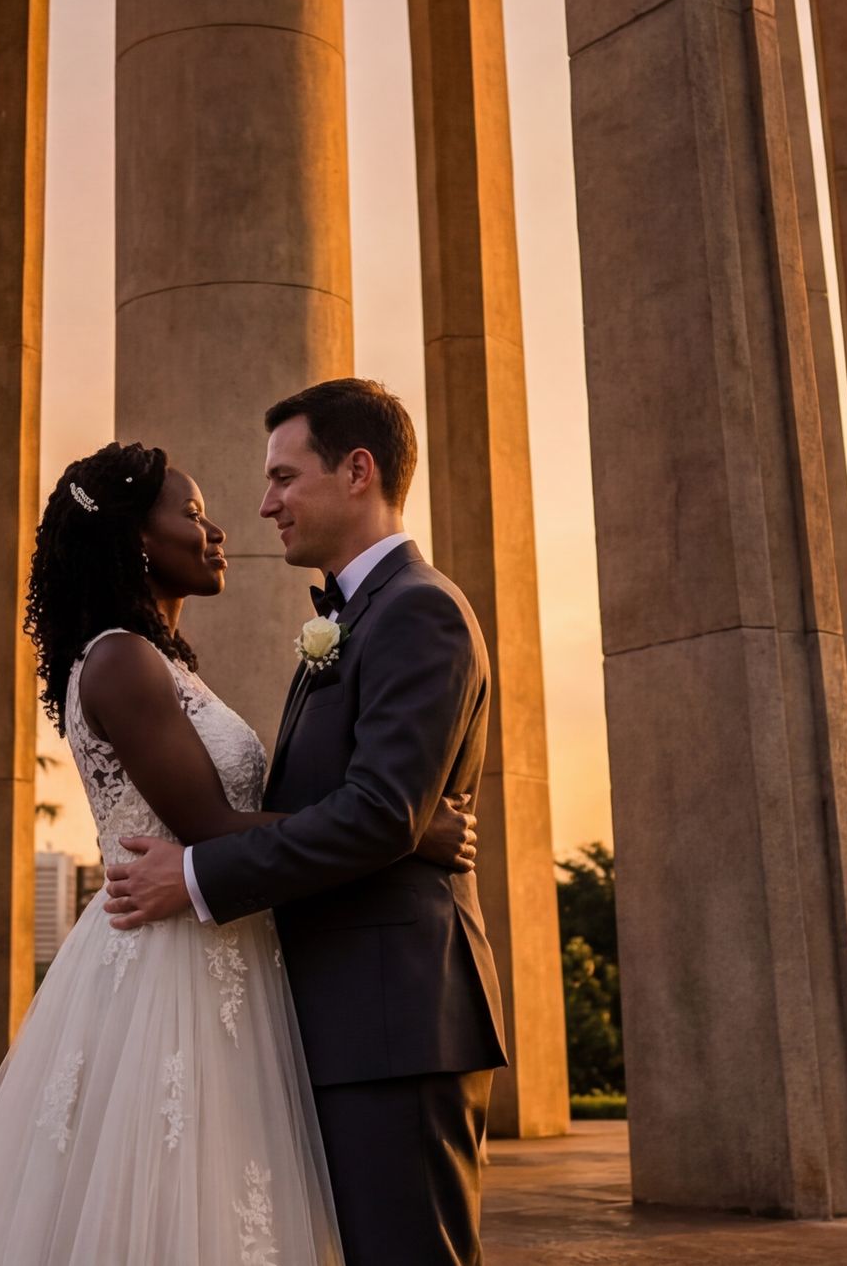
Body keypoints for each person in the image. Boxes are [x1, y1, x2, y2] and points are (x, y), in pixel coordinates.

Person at [0, 438, 477, 1265]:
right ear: (139, 538)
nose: (218, 532)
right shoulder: (121, 659)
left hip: (224, 943)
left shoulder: (163, 660)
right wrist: (406, 826)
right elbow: (210, 825)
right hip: (169, 963)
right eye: (195, 514)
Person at [106, 379, 509, 1266]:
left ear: (357, 471)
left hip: (394, 1023)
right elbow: (375, 809)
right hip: (340, 1016)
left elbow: (377, 811)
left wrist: (196, 874)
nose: (265, 504)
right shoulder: (349, 620)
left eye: (285, 477)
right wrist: (409, 825)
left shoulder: (420, 611)